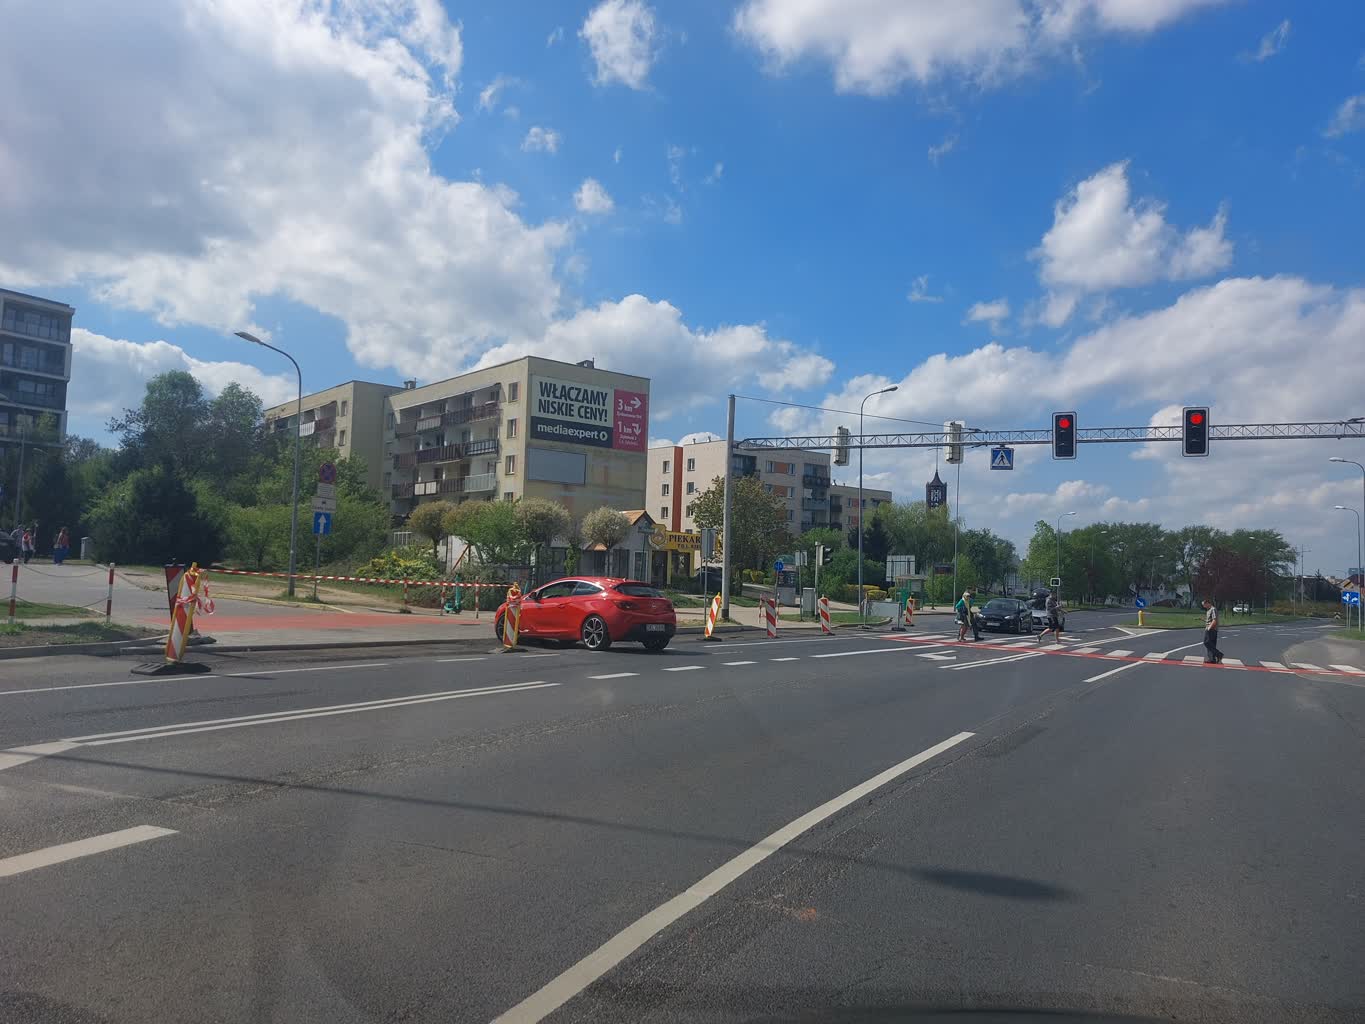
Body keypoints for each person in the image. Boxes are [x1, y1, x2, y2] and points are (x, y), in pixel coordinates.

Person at [1202, 599, 1223, 664]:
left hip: (1211, 629)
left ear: (1208, 603)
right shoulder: (1208, 610)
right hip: (1210, 628)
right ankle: (1212, 659)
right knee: (1211, 644)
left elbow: (1214, 620)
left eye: (1204, 605)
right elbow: (1210, 620)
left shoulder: (1213, 609)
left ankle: (1219, 654)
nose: (1204, 607)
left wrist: (1209, 628)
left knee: (1206, 642)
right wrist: (1203, 620)